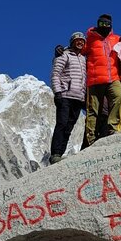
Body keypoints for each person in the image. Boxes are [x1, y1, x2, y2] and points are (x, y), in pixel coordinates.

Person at [81, 14, 121, 147]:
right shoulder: (90, 39)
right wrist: (63, 50)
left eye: (107, 23)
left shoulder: (117, 39)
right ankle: (91, 138)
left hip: (113, 78)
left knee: (119, 99)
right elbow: (78, 50)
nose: (104, 26)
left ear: (111, 25)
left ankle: (113, 129)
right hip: (94, 80)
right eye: (102, 23)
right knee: (93, 110)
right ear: (98, 24)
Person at [49, 32, 87, 164]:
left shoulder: (83, 58)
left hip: (78, 98)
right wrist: (57, 92)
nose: (80, 42)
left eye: (82, 40)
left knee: (69, 127)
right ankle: (55, 154)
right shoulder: (63, 54)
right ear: (72, 42)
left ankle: (60, 154)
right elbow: (55, 74)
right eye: (77, 40)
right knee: (62, 124)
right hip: (65, 95)